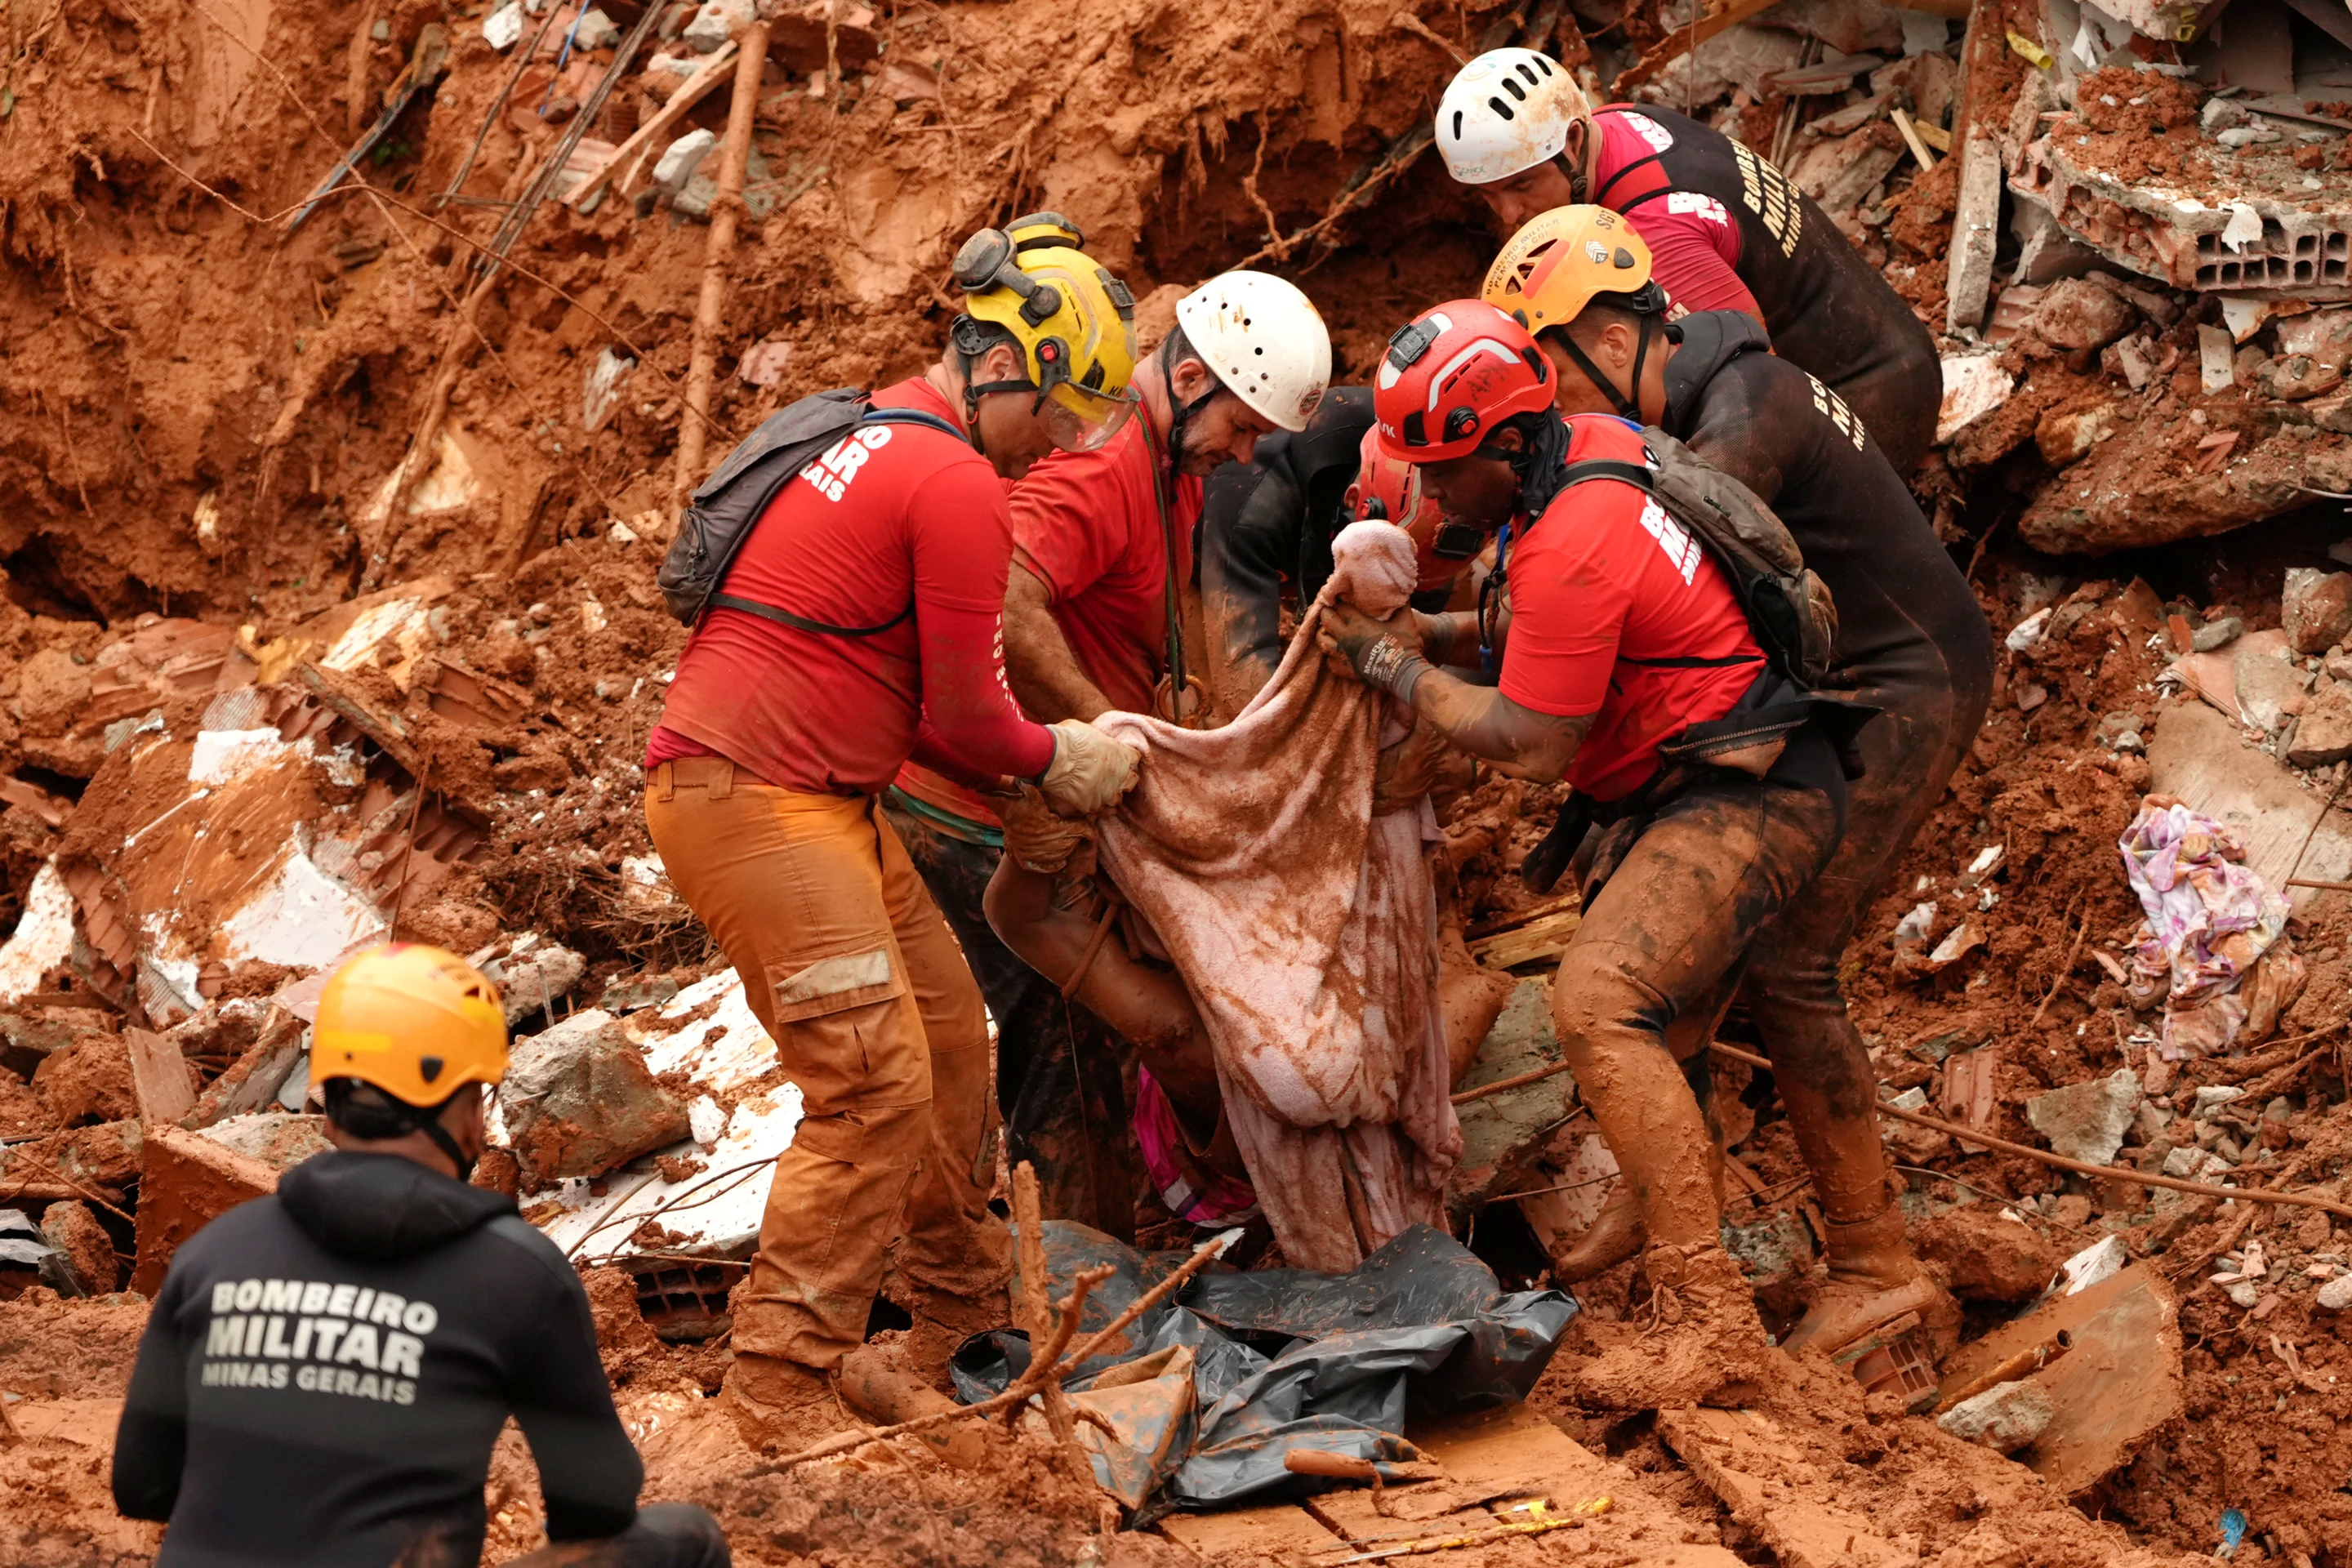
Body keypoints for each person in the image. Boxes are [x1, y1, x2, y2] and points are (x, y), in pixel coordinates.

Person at [640, 215, 1147, 1450]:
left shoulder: (872, 434)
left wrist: (1021, 772)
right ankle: (774, 1389)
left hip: (800, 791)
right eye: (1065, 414)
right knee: (869, 1089)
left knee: (944, 1042)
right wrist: (1062, 759)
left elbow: (896, 694)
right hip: (758, 798)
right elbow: (971, 711)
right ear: (1009, 360)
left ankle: (958, 1330)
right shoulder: (955, 479)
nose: (1064, 446)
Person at [1481, 207, 1993, 1356]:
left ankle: (1874, 1263)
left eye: (1544, 375)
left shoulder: (1741, 417)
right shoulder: (1709, 382)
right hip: (1839, 677)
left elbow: (1633, 572)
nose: (1543, 409)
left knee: (1787, 960)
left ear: (1608, 342)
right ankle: (1671, 1172)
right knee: (1696, 922)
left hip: (1901, 680)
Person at [1321, 300, 1851, 1407]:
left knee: (1599, 1001)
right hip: (1726, 771)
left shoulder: (1568, 537)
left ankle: (1710, 1311)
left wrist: (1396, 671)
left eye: (1446, 468)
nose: (1438, 493)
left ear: (1507, 444)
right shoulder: (1594, 454)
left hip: (1747, 792)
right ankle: (1673, 1224)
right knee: (1674, 1020)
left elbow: (1531, 735)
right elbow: (1560, 628)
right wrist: (1441, 635)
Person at [884, 270, 1330, 1237]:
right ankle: (1069, 1311)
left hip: (1032, 791)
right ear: (1197, 378)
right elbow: (1006, 594)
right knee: (1067, 1043)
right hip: (969, 800)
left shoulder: (1169, 471)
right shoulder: (1110, 458)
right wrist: (1107, 735)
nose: (1247, 455)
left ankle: (1093, 1267)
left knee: (1092, 1046)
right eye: (1244, 428)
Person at [110, 944, 731, 1568]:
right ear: (463, 1107)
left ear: (331, 1105)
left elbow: (143, 1486)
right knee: (687, 1541)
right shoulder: (517, 1273)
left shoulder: (215, 1253)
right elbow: (597, 1503)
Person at [1435, 47, 1942, 473]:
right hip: (1884, 341)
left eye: (1521, 186)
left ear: (1571, 142)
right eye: (1487, 196)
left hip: (1874, 396)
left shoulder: (1654, 230)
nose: (1508, 214)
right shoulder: (1618, 123)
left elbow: (1748, 386)